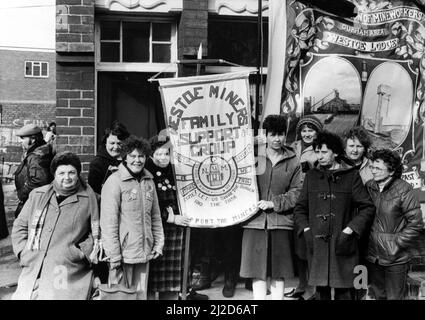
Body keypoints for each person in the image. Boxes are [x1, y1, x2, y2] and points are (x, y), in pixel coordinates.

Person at [294, 130, 375, 300]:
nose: (320, 156)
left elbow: (367, 207)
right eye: (317, 152)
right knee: (321, 292)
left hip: (342, 243)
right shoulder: (311, 176)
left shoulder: (351, 176)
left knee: (344, 292)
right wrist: (307, 229)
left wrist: (350, 230)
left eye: (324, 152)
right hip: (317, 245)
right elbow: (300, 208)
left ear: (336, 152)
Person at [11, 152, 100, 299]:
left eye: (72, 172)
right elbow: (20, 226)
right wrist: (23, 251)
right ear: (54, 175)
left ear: (78, 174)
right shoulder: (38, 195)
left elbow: (98, 233)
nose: (67, 177)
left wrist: (77, 253)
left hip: (68, 270)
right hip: (34, 264)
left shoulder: (91, 200)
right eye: (62, 173)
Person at [240, 114, 302, 300]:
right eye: (272, 134)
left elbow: (297, 192)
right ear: (264, 136)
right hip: (254, 222)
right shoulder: (252, 157)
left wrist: (274, 203)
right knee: (257, 272)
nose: (277, 139)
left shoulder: (293, 161)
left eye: (281, 134)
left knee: (278, 271)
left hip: (281, 222)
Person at [100, 135, 164, 300]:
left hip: (144, 252)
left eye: (141, 156)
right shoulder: (114, 182)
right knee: (120, 297)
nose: (137, 160)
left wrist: (158, 244)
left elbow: (155, 216)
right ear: (125, 158)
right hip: (122, 256)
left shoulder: (148, 181)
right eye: (133, 156)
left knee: (140, 296)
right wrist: (114, 255)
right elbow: (108, 222)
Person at [365, 149, 423, 300]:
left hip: (395, 258)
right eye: (372, 167)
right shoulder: (369, 187)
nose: (373, 171)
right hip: (373, 256)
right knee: (378, 295)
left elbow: (416, 223)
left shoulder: (404, 189)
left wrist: (395, 244)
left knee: (394, 297)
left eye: (378, 168)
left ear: (391, 171)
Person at [146, 134, 190, 300]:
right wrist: (169, 218)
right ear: (151, 155)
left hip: (175, 234)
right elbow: (147, 205)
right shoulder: (147, 174)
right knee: (151, 282)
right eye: (159, 154)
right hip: (156, 231)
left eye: (166, 153)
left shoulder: (175, 172)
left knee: (171, 283)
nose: (163, 157)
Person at [286, 114, 323, 300]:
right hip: (294, 202)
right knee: (298, 248)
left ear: (317, 132)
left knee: (310, 247)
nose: (307, 134)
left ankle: (313, 291)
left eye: (311, 130)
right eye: (304, 130)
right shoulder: (292, 147)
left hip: (311, 202)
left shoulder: (320, 151)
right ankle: (301, 285)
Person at [14, 124, 54, 217]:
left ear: (33, 139)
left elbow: (38, 181)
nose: (21, 142)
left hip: (34, 203)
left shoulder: (37, 156)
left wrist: (22, 195)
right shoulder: (37, 152)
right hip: (33, 200)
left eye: (23, 138)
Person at [88, 121, 130, 195]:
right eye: (112, 143)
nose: (116, 147)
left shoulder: (129, 160)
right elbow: (94, 193)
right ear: (105, 143)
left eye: (119, 143)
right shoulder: (97, 163)